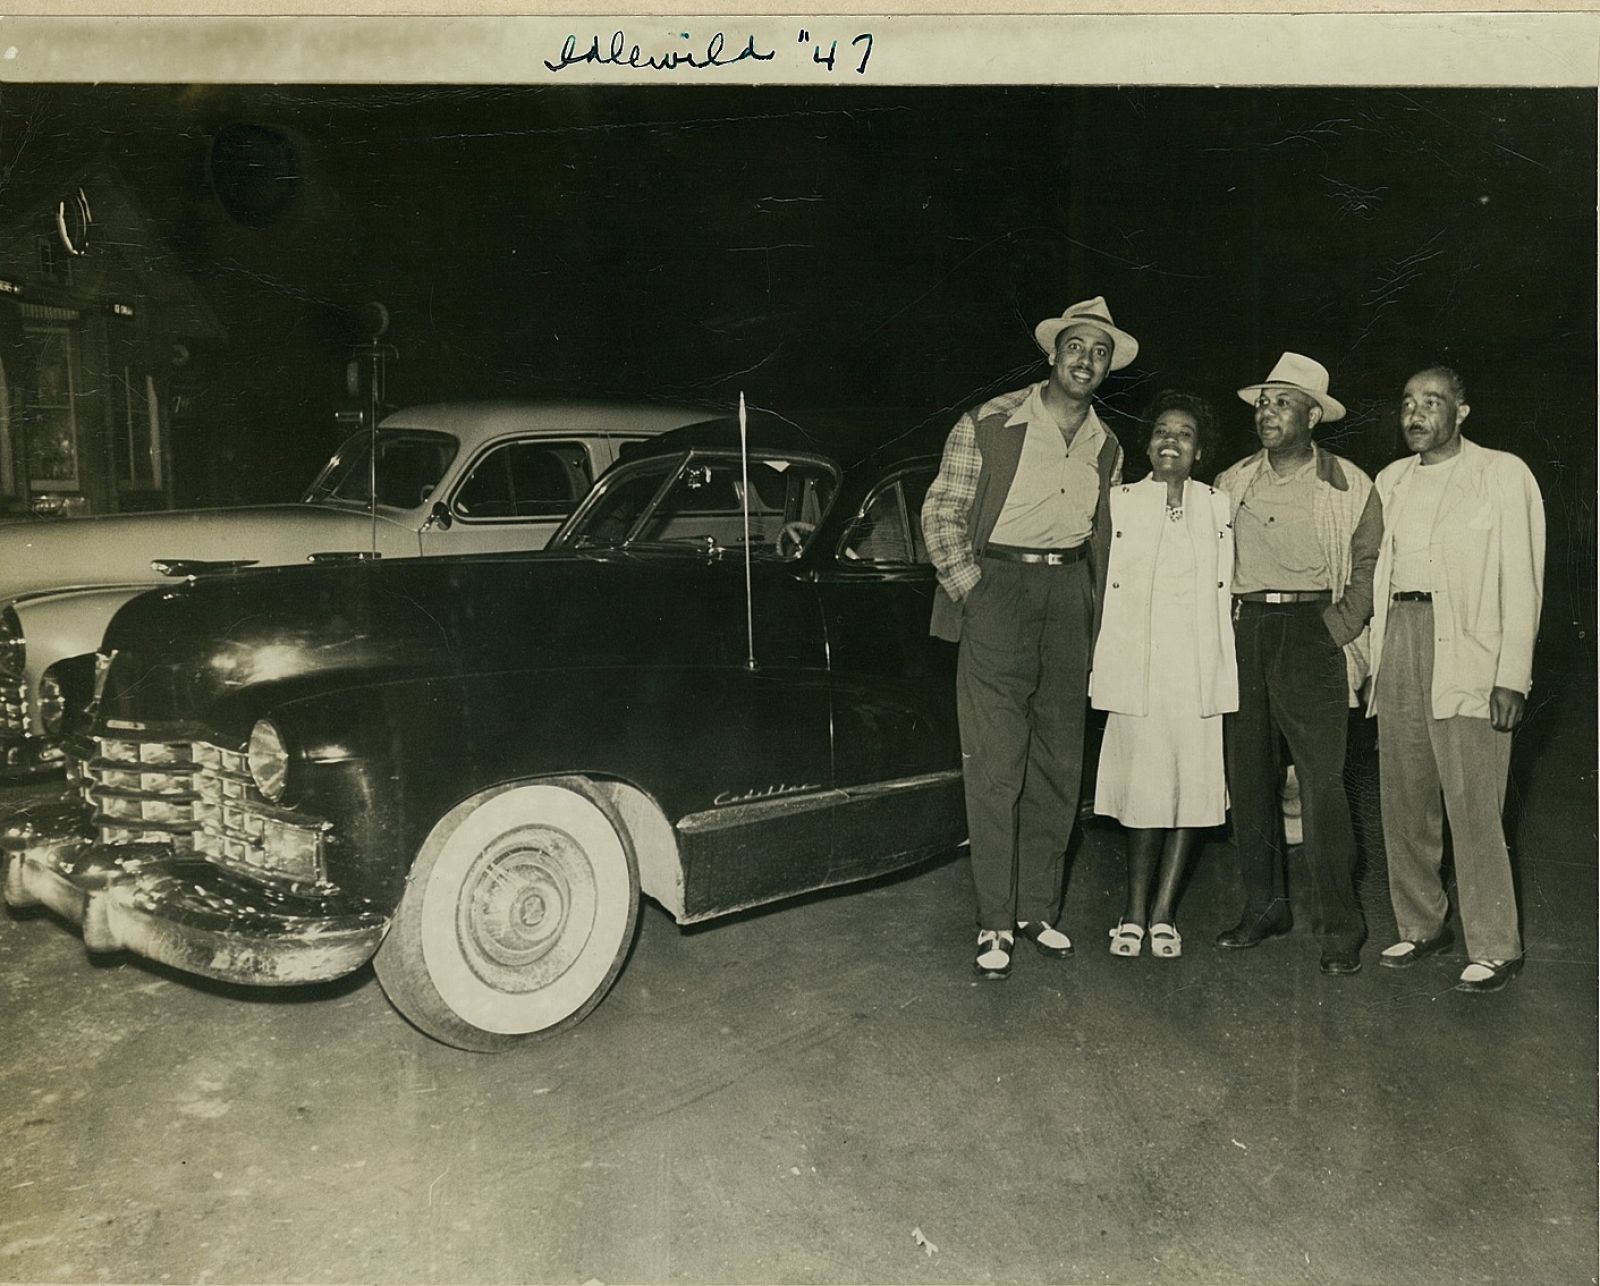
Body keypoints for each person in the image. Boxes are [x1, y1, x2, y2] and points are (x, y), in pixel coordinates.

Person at [923, 296, 1132, 979]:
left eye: (1100, 353)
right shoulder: (988, 422)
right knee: (994, 765)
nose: (1086, 360)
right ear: (1052, 353)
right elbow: (942, 512)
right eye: (1076, 346)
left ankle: (1037, 913)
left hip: (1070, 595)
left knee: (1059, 764)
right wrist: (975, 592)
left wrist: (1098, 610)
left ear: (1107, 368)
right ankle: (993, 922)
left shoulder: (1110, 445)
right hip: (1000, 590)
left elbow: (1113, 541)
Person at [1367, 366, 1544, 993]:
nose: (1416, 414)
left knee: (1474, 804)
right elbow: (1374, 575)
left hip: (1469, 649)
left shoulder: (1502, 474)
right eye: (1408, 403)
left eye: (1432, 402)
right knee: (1404, 797)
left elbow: (1522, 581)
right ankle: (1421, 925)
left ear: (1462, 412)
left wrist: (1512, 676)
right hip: (1401, 640)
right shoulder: (1389, 481)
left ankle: (1496, 944)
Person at [1214, 353, 1381, 976]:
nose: (1267, 412)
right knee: (1249, 778)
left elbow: (1367, 567)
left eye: (1282, 402)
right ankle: (1265, 906)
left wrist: (1336, 628)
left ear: (1314, 415)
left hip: (1313, 632)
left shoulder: (1350, 484)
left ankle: (1340, 926)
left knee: (1322, 786)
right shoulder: (1232, 483)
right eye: (1263, 402)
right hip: (1246, 628)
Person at [1090, 391, 1237, 959]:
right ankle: (1130, 911)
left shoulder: (1220, 505)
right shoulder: (1118, 502)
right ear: (1147, 445)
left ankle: (1163, 914)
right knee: (1143, 793)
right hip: (1138, 671)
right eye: (1161, 432)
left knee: (1192, 793)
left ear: (1200, 452)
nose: (1170, 440)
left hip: (1197, 671)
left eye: (1184, 434)